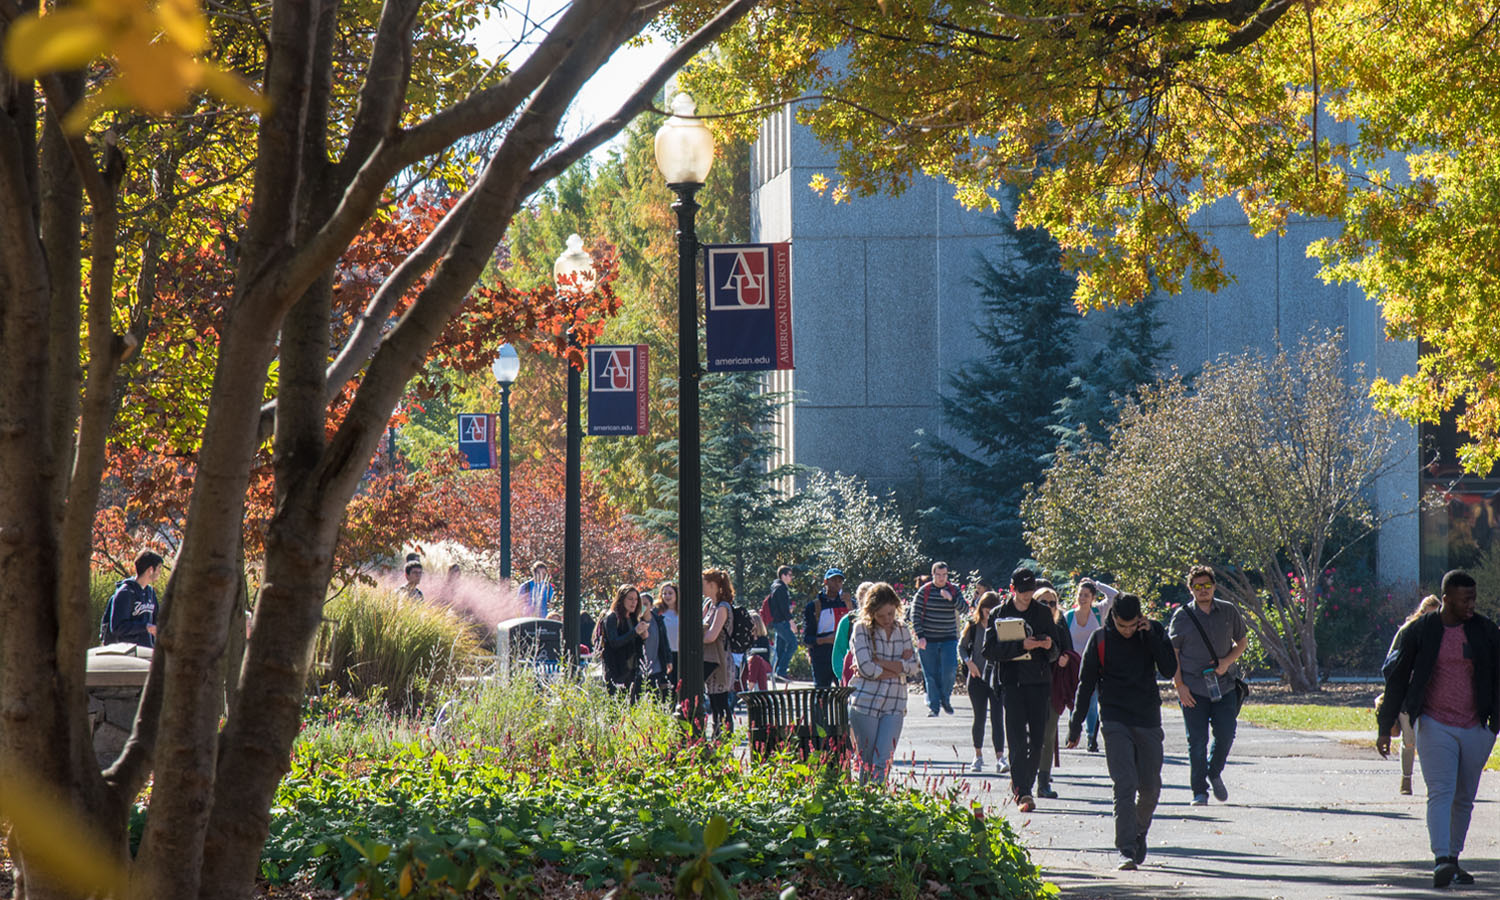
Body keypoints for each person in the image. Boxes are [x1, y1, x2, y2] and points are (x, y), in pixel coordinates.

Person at [1377, 570, 1500, 888]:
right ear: (1446, 599)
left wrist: (1494, 724)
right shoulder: (1420, 631)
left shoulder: (1486, 631)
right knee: (1441, 791)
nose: (1471, 604)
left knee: (1465, 797)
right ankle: (1441, 859)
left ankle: (1454, 858)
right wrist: (1385, 724)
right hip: (1434, 723)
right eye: (1464, 599)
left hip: (1477, 725)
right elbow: (1398, 677)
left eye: (1473, 598)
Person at [1066, 593, 1178, 871]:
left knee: (1150, 788)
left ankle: (1138, 831)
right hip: (1115, 718)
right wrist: (1076, 723)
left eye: (1132, 625)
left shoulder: (1152, 631)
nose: (1127, 631)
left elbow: (1169, 669)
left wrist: (1151, 635)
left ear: (1140, 618)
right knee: (1125, 784)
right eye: (1121, 625)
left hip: (1148, 718)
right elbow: (1086, 682)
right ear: (1112, 617)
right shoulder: (1100, 639)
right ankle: (1125, 848)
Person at [1168, 565, 1250, 806]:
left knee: (1226, 733)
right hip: (1192, 688)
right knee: (1196, 741)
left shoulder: (1227, 611)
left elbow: (1242, 641)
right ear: (1190, 589)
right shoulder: (1181, 616)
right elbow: (1173, 653)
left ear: (1214, 586)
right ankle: (1199, 791)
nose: (1202, 590)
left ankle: (1213, 772)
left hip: (1224, 685)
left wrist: (1226, 662)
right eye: (1197, 586)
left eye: (1207, 585)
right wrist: (1179, 685)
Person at [984, 567, 1061, 811]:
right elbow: (989, 651)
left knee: (1038, 740)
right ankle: (1023, 791)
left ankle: (1023, 783)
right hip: (1011, 683)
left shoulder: (1042, 613)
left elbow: (1055, 649)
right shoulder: (999, 613)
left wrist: (1048, 645)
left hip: (1038, 682)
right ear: (1012, 589)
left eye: (1030, 591)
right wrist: (1021, 646)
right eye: (1022, 591)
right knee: (1016, 739)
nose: (1027, 596)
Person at [848, 582, 920, 784]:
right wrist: (898, 667)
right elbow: (866, 668)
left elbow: (913, 667)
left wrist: (881, 663)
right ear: (871, 612)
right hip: (866, 703)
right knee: (868, 762)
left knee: (883, 761)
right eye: (881, 616)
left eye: (890, 613)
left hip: (895, 704)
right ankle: (865, 805)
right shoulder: (861, 629)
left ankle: (878, 800)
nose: (887, 619)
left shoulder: (902, 629)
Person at [1383, 594, 1442, 795]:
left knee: (1431, 740)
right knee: (1409, 739)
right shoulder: (1407, 631)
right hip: (1408, 694)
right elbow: (1390, 663)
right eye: (1428, 614)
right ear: (1421, 612)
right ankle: (1406, 779)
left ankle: (1431, 783)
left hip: (1432, 692)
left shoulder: (1444, 633)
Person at [1035, 587, 1077, 799]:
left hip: (1053, 687)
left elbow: (1070, 650)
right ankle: (1022, 778)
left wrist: (1066, 658)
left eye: (1052, 603)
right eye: (1043, 602)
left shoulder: (1060, 625)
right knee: (1027, 735)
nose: (1049, 606)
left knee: (1048, 734)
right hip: (1029, 686)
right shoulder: (1027, 625)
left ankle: (1043, 782)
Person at [912, 561, 969, 717]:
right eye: (938, 575)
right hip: (928, 639)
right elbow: (914, 614)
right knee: (930, 674)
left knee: (950, 670)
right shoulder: (925, 591)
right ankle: (934, 706)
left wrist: (951, 599)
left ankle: (945, 698)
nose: (942, 578)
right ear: (933, 575)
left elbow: (965, 609)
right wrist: (920, 635)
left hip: (948, 638)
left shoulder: (953, 590)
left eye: (944, 575)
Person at [960, 591, 1007, 774]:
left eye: (992, 609)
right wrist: (969, 663)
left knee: (997, 718)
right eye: (986, 609)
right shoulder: (973, 626)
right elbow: (962, 647)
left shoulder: (1002, 626)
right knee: (979, 717)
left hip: (997, 679)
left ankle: (1000, 757)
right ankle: (977, 756)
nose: (989, 612)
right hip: (977, 677)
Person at [1066, 578, 1114, 752]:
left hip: (1094, 665)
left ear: (1093, 597)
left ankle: (1091, 738)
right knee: (1074, 702)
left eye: (1086, 595)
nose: (1082, 598)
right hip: (1073, 666)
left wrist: (1097, 584)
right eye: (1080, 594)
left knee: (1092, 702)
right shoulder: (1069, 616)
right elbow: (1063, 640)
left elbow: (1115, 596)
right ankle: (1073, 733)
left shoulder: (1099, 612)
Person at [100, 551, 164, 647]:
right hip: (126, 653)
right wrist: (145, 627)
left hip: (147, 651)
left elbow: (156, 621)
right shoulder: (124, 593)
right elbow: (117, 627)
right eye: (159, 568)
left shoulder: (150, 592)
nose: (160, 572)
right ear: (150, 569)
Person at [702, 569, 738, 738]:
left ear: (712, 585)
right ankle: (717, 738)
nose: (700, 587)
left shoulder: (722, 607)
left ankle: (724, 740)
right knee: (714, 702)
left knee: (720, 703)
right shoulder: (709, 605)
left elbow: (711, 636)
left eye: (703, 583)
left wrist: (692, 639)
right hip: (710, 659)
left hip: (721, 659)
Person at [601, 585, 650, 701]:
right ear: (622, 599)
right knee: (616, 706)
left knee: (631, 705)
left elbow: (635, 643)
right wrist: (635, 632)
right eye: (630, 599)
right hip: (616, 669)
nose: (634, 602)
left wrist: (643, 636)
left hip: (632, 669)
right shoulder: (612, 617)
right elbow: (614, 642)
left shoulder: (633, 618)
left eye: (636, 599)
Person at [803, 569, 850, 688]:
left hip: (843, 657)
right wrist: (827, 639)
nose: (837, 583)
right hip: (821, 658)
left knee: (845, 693)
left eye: (840, 581)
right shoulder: (814, 606)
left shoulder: (849, 603)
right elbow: (807, 638)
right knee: (821, 694)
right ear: (825, 582)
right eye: (833, 580)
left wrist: (850, 607)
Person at [833, 581, 874, 685]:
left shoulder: (881, 620)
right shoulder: (848, 621)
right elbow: (838, 653)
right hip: (851, 675)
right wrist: (843, 676)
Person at [767, 565, 798, 681]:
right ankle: (781, 671)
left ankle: (776, 672)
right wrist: (791, 622)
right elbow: (783, 608)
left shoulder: (775, 587)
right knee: (793, 644)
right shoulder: (781, 588)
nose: (791, 577)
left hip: (777, 622)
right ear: (783, 575)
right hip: (782, 622)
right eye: (789, 575)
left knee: (779, 648)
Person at [656, 582, 680, 682]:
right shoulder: (657, 611)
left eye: (670, 593)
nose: (667, 596)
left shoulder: (683, 611)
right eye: (664, 593)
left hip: (679, 654)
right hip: (664, 655)